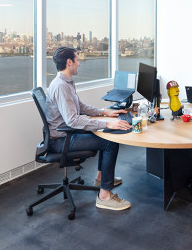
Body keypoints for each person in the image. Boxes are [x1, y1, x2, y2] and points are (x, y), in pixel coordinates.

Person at [45, 46, 132, 211]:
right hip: (60, 140)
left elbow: (80, 106)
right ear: (69, 62)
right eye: (77, 60)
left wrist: (105, 112)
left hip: (65, 133)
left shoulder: (66, 82)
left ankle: (101, 180)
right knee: (109, 142)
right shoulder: (61, 86)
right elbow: (72, 120)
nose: (79, 63)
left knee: (105, 136)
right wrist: (107, 123)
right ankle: (104, 196)